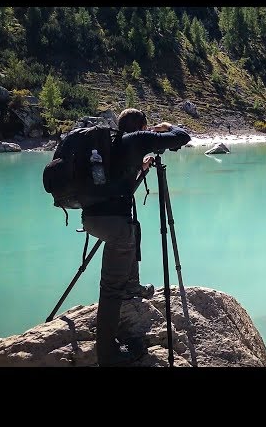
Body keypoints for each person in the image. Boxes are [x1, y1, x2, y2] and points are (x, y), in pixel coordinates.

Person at [81, 108, 191, 366]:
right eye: (146, 126)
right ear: (141, 126)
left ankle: (132, 285)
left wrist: (139, 169)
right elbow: (182, 136)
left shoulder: (113, 144)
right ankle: (107, 356)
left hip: (92, 220)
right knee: (110, 291)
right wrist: (164, 127)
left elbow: (122, 189)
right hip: (115, 227)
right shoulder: (138, 139)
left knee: (134, 228)